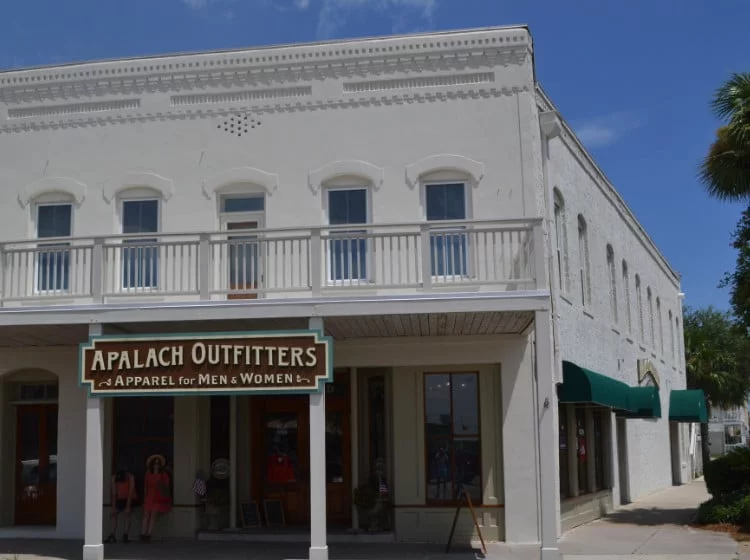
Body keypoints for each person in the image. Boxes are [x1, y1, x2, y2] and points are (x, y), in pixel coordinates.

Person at [141, 454, 171, 542]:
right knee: (146, 515)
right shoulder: (147, 473)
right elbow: (145, 487)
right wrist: (144, 497)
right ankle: (142, 534)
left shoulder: (163, 474)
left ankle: (148, 535)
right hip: (149, 496)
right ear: (152, 464)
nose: (156, 465)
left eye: (158, 463)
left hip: (158, 497)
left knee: (152, 516)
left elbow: (167, 486)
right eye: (155, 463)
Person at [104, 466, 136, 543]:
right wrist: (113, 507)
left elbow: (131, 491)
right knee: (114, 515)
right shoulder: (114, 478)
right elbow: (114, 493)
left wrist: (128, 506)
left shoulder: (130, 477)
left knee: (127, 515)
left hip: (128, 498)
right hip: (119, 498)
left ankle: (125, 535)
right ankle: (112, 535)